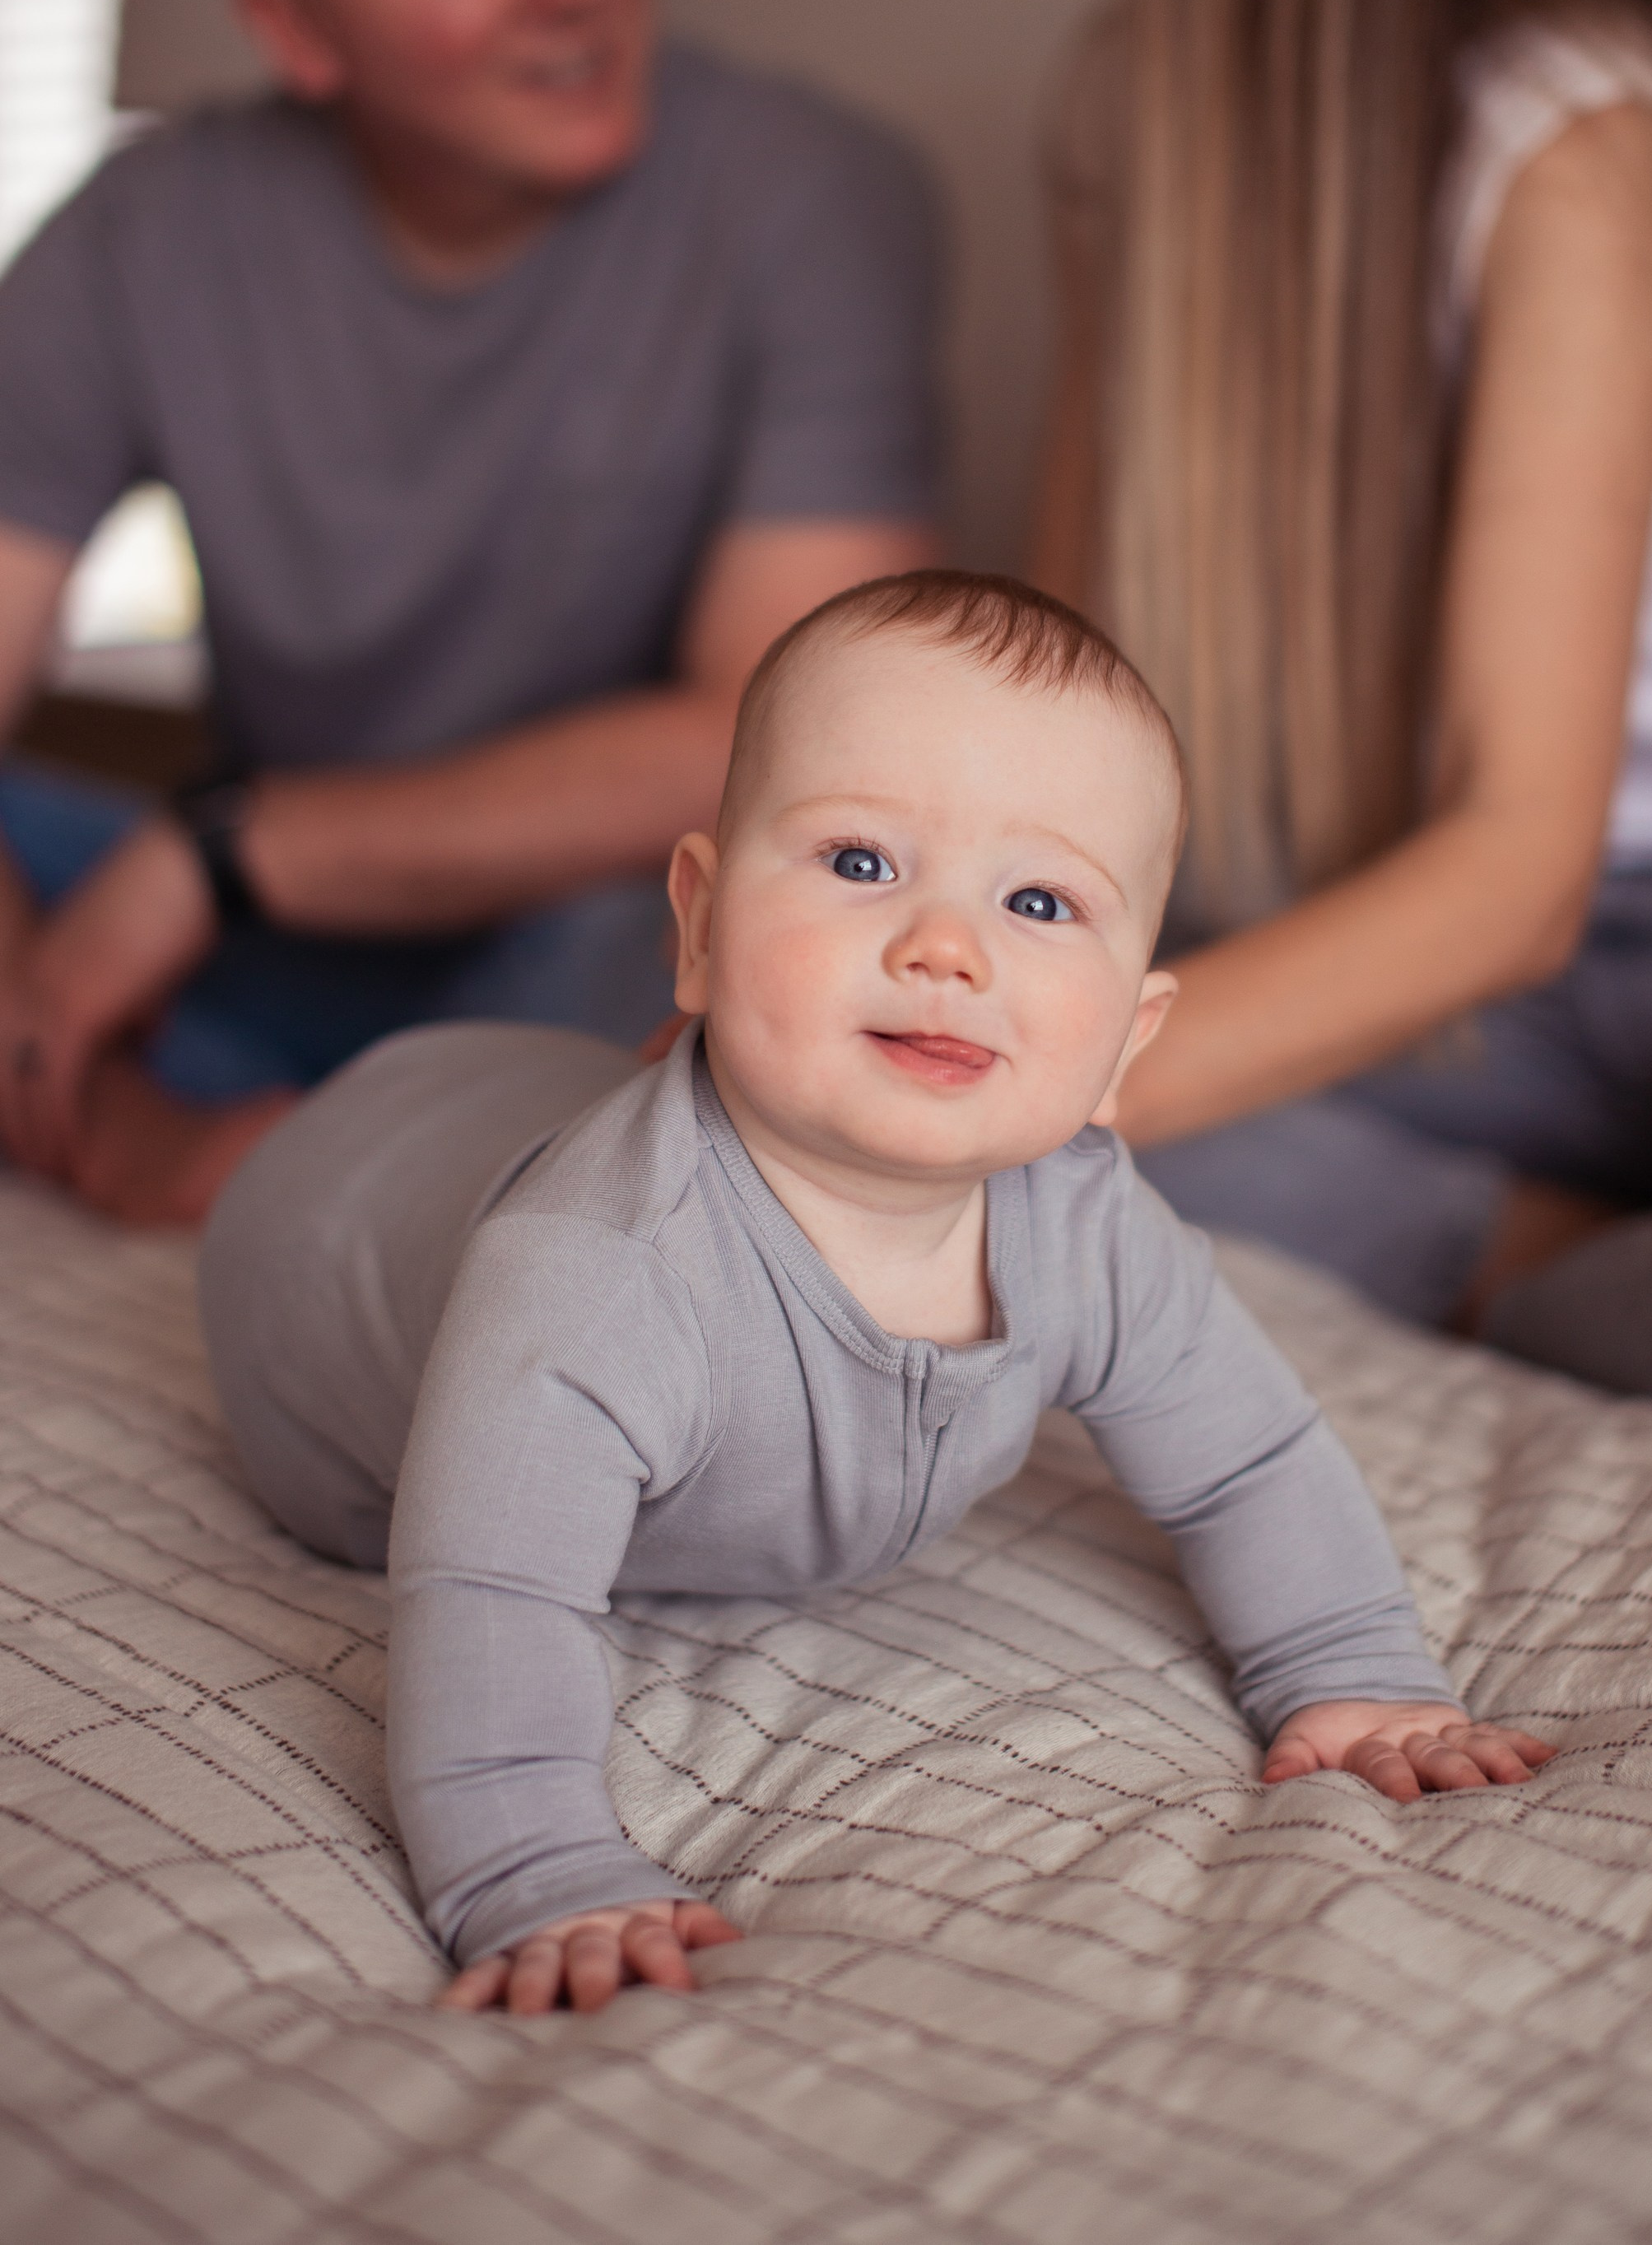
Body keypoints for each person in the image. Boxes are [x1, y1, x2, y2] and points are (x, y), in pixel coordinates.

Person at [198, 572, 1553, 2013]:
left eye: (1039, 901)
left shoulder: (1084, 1222)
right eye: (860, 863)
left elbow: (1251, 1460)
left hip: (505, 1099)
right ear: (702, 923)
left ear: (1128, 1039)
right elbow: (494, 1591)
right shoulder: (600, 1270)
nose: (945, 948)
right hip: (323, 1258)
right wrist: (535, 1867)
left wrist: (1351, 1670)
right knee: (452, 1431)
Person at [972, 0, 1652, 1446]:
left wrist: (1015, 1087)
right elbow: (1058, 715)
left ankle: (1533, 1264)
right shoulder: (1124, 108)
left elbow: (1514, 872)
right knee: (749, 987)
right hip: (1428, 986)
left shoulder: (1568, 133)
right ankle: (1540, 1243)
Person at [0, 0, 940, 1227]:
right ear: (295, 25)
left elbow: (779, 740)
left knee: (779, 953)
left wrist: (222, 852)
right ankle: (159, 1126)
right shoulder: (131, 239)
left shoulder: (805, 193)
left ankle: (308, 1148)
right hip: (254, 953)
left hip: (584, 944)